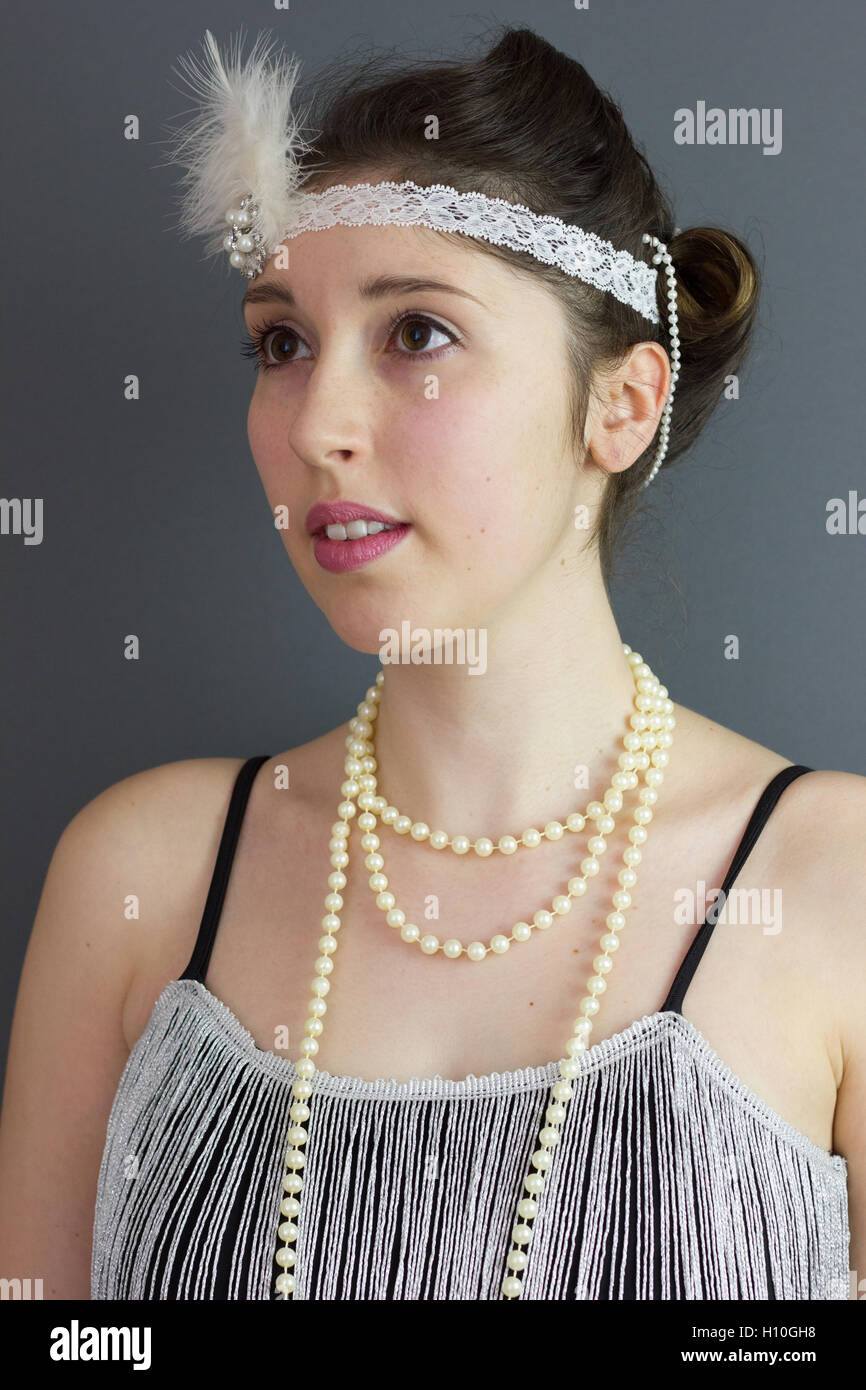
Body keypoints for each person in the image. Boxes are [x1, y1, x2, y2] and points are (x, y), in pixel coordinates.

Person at [0, 24, 862, 1301]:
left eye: (415, 332)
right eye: (281, 343)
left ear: (620, 404)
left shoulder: (834, 884)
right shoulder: (141, 874)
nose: (318, 425)